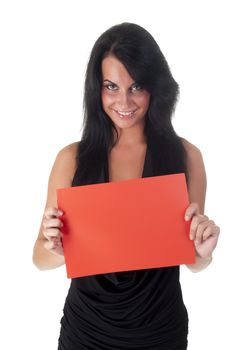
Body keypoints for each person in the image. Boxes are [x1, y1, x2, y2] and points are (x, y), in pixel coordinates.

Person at [32, 22, 220, 350]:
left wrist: (204, 252)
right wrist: (54, 247)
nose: (124, 101)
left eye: (136, 87)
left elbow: (193, 259)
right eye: (111, 86)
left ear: (155, 87)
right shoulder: (72, 159)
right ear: (96, 89)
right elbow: (39, 257)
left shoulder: (187, 156)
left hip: (160, 332)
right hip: (86, 333)